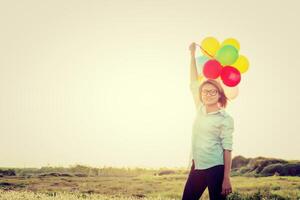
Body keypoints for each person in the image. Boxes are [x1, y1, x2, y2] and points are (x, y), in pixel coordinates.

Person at [182, 42, 234, 200]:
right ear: (201, 94)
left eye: (213, 91)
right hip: (197, 166)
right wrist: (192, 55)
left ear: (220, 95)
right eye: (205, 91)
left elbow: (227, 149)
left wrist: (226, 178)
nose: (208, 94)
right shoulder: (199, 108)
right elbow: (193, 81)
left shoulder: (225, 119)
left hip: (216, 169)